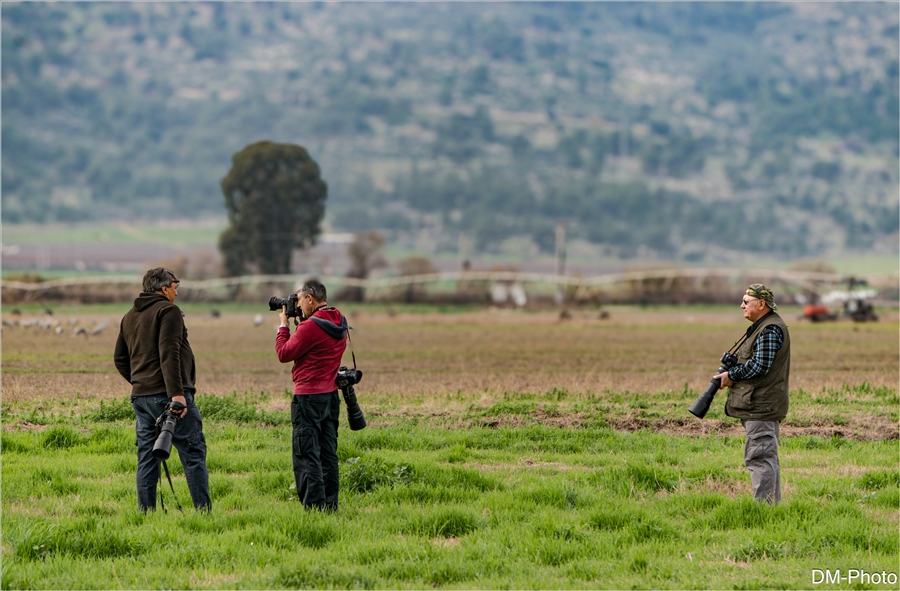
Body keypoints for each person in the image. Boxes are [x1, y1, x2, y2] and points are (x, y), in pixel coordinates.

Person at [114, 267, 211, 512]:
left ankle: (145, 515)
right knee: (193, 452)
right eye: (175, 288)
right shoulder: (169, 311)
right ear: (164, 288)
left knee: (147, 457)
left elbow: (120, 359)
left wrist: (140, 382)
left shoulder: (129, 316)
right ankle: (204, 514)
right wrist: (177, 394)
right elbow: (170, 353)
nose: (176, 294)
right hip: (170, 396)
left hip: (141, 398)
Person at [714, 284, 791, 505]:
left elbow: (760, 366)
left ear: (761, 304)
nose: (742, 306)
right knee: (766, 458)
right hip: (761, 404)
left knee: (760, 459)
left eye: (746, 301)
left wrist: (732, 375)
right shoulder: (765, 326)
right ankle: (771, 510)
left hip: (761, 405)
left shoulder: (769, 329)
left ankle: (764, 512)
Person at [275, 279, 348, 510]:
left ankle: (314, 508)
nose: (296, 303)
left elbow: (284, 354)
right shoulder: (339, 321)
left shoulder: (310, 327)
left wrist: (284, 326)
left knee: (307, 453)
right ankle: (330, 505)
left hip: (307, 397)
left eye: (298, 298)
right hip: (330, 396)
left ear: (309, 299)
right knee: (328, 453)